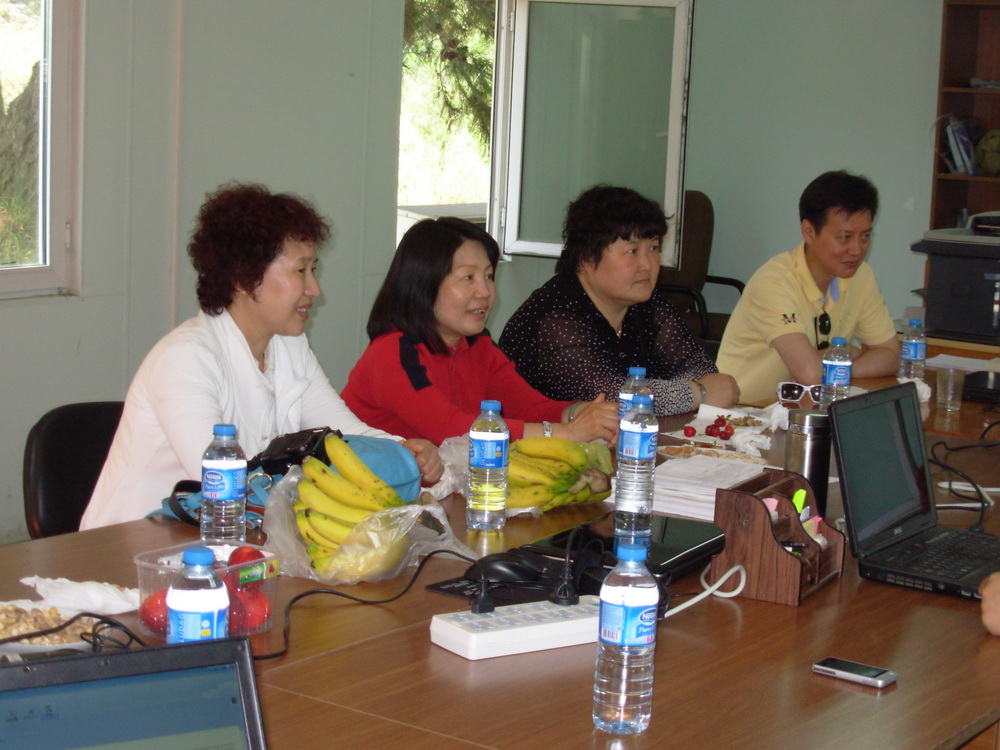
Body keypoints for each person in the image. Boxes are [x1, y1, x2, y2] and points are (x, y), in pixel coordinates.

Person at [81, 183, 442, 529]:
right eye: (300, 270)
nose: (314, 288)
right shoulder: (185, 359)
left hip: (230, 536)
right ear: (244, 278)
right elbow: (225, 483)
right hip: (130, 547)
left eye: (313, 269)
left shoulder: (288, 345)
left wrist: (403, 449)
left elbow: (341, 433)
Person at [340, 217, 620, 446]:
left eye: (488, 276)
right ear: (424, 284)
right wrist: (568, 433)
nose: (485, 292)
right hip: (373, 491)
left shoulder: (478, 345)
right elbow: (451, 430)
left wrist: (578, 413)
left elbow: (530, 408)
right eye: (468, 277)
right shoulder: (393, 351)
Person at [498, 185, 738, 416]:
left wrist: (690, 390)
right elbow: (610, 398)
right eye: (632, 251)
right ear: (586, 258)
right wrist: (698, 393)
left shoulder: (645, 302)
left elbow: (701, 369)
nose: (647, 265)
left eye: (653, 248)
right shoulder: (556, 317)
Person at [716, 170, 900, 404]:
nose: (856, 249)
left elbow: (891, 356)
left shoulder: (861, 276)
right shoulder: (773, 282)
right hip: (744, 412)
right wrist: (845, 359)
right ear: (809, 231)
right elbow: (810, 374)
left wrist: (838, 365)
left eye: (865, 236)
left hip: (804, 408)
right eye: (845, 237)